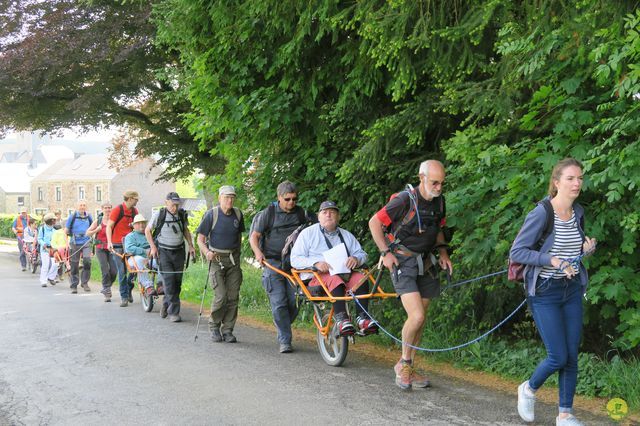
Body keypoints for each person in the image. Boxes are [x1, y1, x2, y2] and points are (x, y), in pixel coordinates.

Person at [510, 158, 596, 426]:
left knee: (571, 354)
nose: (577, 183)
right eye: (571, 178)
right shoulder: (542, 213)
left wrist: (585, 250)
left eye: (580, 178)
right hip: (545, 292)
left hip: (571, 290)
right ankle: (529, 388)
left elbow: (572, 251)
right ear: (556, 182)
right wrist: (552, 260)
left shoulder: (578, 213)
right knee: (558, 355)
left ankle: (565, 414)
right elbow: (518, 252)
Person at [369, 159, 452, 390]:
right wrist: (385, 253)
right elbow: (374, 222)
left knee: (421, 320)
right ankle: (404, 365)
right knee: (416, 317)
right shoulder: (405, 200)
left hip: (426, 263)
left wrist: (443, 252)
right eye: (434, 183)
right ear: (421, 178)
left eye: (442, 183)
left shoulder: (439, 202)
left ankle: (409, 365)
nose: (439, 188)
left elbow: (438, 230)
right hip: (402, 261)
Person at [290, 201, 378, 336]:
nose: (328, 215)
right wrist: (316, 263)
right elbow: (294, 259)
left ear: (338, 217)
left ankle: (363, 319)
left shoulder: (347, 235)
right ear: (319, 217)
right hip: (316, 277)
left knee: (361, 278)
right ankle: (342, 320)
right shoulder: (307, 234)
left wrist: (356, 259)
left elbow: (362, 254)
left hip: (344, 274)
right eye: (324, 212)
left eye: (332, 212)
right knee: (334, 279)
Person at [249, 181, 317, 353]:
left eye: (294, 199)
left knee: (294, 303)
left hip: (294, 265)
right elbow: (254, 237)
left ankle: (281, 324)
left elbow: (318, 228)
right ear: (279, 197)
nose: (291, 203)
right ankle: (285, 340)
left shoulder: (301, 213)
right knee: (279, 303)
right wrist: (258, 253)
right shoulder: (269, 213)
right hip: (273, 263)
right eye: (287, 199)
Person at [197, 186, 244, 341]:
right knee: (221, 296)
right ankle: (214, 327)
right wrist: (207, 253)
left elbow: (238, 237)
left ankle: (228, 330)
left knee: (233, 296)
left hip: (233, 260)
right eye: (226, 197)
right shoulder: (212, 215)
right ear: (220, 198)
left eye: (232, 197)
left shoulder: (238, 214)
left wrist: (237, 256)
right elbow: (200, 239)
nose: (230, 200)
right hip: (216, 259)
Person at [146, 192, 195, 323]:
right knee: (169, 281)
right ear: (166, 202)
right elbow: (147, 230)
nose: (175, 207)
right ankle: (174, 313)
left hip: (179, 252)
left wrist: (191, 246)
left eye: (177, 205)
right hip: (164, 252)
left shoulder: (181, 214)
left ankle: (166, 304)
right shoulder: (160, 215)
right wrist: (153, 247)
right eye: (173, 204)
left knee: (177, 283)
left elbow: (186, 230)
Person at [106, 190, 139, 307]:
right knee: (122, 271)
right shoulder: (117, 210)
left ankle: (129, 288)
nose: (137, 201)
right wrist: (109, 242)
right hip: (117, 245)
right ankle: (124, 296)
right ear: (130, 199)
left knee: (135, 268)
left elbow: (138, 227)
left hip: (130, 244)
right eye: (136, 199)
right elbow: (109, 226)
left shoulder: (135, 211)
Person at [86, 202, 118, 302]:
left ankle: (106, 286)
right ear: (102, 209)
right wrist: (97, 230)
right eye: (106, 208)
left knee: (114, 270)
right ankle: (107, 291)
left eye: (109, 208)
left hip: (112, 248)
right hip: (100, 248)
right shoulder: (98, 221)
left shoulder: (114, 221)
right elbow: (87, 233)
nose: (108, 210)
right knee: (105, 270)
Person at [124, 214, 157, 296]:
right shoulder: (130, 236)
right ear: (133, 226)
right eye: (138, 223)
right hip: (134, 259)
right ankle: (148, 286)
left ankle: (162, 285)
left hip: (150, 258)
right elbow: (129, 249)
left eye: (143, 223)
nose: (141, 225)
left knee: (162, 262)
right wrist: (145, 251)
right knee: (139, 260)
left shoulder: (149, 234)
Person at [64, 201, 93, 294]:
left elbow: (93, 227)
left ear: (86, 207)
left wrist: (93, 236)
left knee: (87, 260)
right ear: (77, 207)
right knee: (74, 264)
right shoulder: (72, 217)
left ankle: (84, 282)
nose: (82, 207)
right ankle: (74, 284)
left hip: (86, 242)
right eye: (81, 205)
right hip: (74, 242)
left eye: (84, 205)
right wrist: (66, 243)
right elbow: (66, 230)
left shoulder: (89, 217)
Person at [37, 213, 58, 287]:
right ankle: (43, 281)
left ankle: (51, 277)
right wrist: (44, 244)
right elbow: (39, 239)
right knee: (45, 265)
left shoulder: (55, 230)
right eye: (54, 219)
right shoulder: (42, 229)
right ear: (50, 220)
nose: (55, 220)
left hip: (53, 249)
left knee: (56, 264)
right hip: (44, 249)